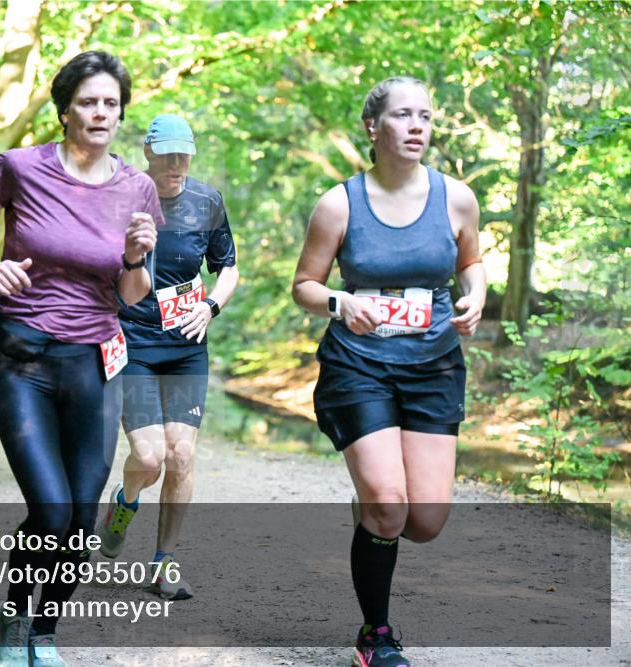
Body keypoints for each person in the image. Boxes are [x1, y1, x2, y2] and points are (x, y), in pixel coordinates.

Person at [0, 50, 161, 667]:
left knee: (82, 521)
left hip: (94, 360)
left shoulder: (138, 188)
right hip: (23, 355)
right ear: (65, 110)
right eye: (89, 102)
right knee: (51, 509)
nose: (101, 113)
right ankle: (13, 623)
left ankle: (44, 632)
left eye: (112, 103)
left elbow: (133, 295)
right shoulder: (20, 167)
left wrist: (134, 258)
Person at [291, 76, 486, 667]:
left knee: (423, 522)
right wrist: (340, 302)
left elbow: (471, 262)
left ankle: (375, 506)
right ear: (373, 128)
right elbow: (304, 285)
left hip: (433, 365)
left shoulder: (457, 198)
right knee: (387, 506)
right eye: (403, 115)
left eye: (424, 115)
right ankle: (375, 636)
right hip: (358, 365)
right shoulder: (339, 204)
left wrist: (476, 295)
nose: (417, 126)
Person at [96, 114, 239, 601]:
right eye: (169, 154)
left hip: (186, 346)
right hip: (133, 342)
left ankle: (164, 562)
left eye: (185, 155)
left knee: (181, 454)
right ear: (148, 153)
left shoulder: (207, 201)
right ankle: (125, 501)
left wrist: (210, 305)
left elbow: (228, 268)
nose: (178, 164)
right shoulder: (121, 198)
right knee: (149, 456)